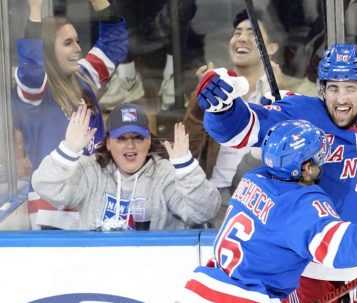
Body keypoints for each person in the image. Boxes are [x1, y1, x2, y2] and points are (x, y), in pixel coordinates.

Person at [196, 41, 357, 302]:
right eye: (333, 88)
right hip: (313, 268)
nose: (341, 99)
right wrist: (223, 108)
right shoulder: (299, 116)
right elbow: (241, 129)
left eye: (350, 88)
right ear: (321, 90)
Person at [182, 119, 357, 302]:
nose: (322, 163)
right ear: (303, 166)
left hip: (201, 289)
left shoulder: (253, 179)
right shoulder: (301, 203)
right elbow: (343, 246)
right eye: (316, 157)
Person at [184, 8, 317, 227]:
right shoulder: (218, 88)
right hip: (217, 198)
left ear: (272, 48)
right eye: (237, 32)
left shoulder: (287, 88)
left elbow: (312, 133)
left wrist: (284, 92)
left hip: (267, 196)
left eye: (252, 33)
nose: (242, 38)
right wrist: (201, 102)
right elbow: (189, 146)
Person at [12, 0, 127, 229]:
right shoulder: (36, 91)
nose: (78, 48)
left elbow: (114, 44)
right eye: (68, 43)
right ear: (47, 50)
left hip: (93, 201)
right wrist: (35, 11)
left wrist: (99, 2)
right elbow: (33, 66)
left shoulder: (83, 77)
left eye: (76, 41)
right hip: (53, 209)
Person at [31, 103, 221, 230]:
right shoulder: (91, 170)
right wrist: (69, 149)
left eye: (138, 138)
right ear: (108, 143)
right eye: (121, 138)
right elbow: (45, 187)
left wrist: (187, 168)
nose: (130, 146)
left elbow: (205, 212)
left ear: (149, 142)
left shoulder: (165, 173)